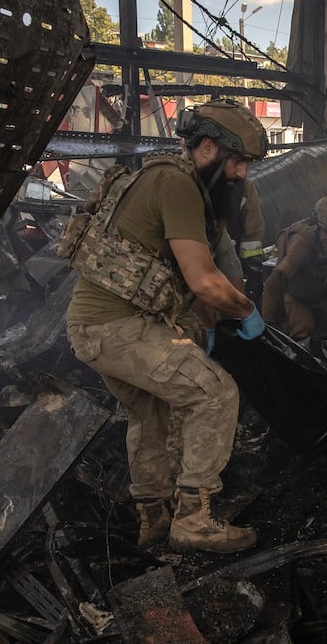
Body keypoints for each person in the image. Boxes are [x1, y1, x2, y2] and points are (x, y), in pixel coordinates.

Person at [63, 98, 269, 554]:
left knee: (152, 413)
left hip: (94, 327)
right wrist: (246, 312)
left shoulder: (166, 178)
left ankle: (153, 521)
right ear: (209, 147)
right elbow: (204, 281)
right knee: (216, 394)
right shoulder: (176, 183)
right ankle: (195, 519)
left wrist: (209, 325)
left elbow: (199, 281)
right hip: (117, 328)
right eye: (238, 161)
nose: (241, 174)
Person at [262, 194, 327, 344]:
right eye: (326, 232)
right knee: (302, 334)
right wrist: (269, 327)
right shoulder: (302, 243)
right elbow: (275, 282)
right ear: (316, 226)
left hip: (324, 289)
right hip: (293, 293)